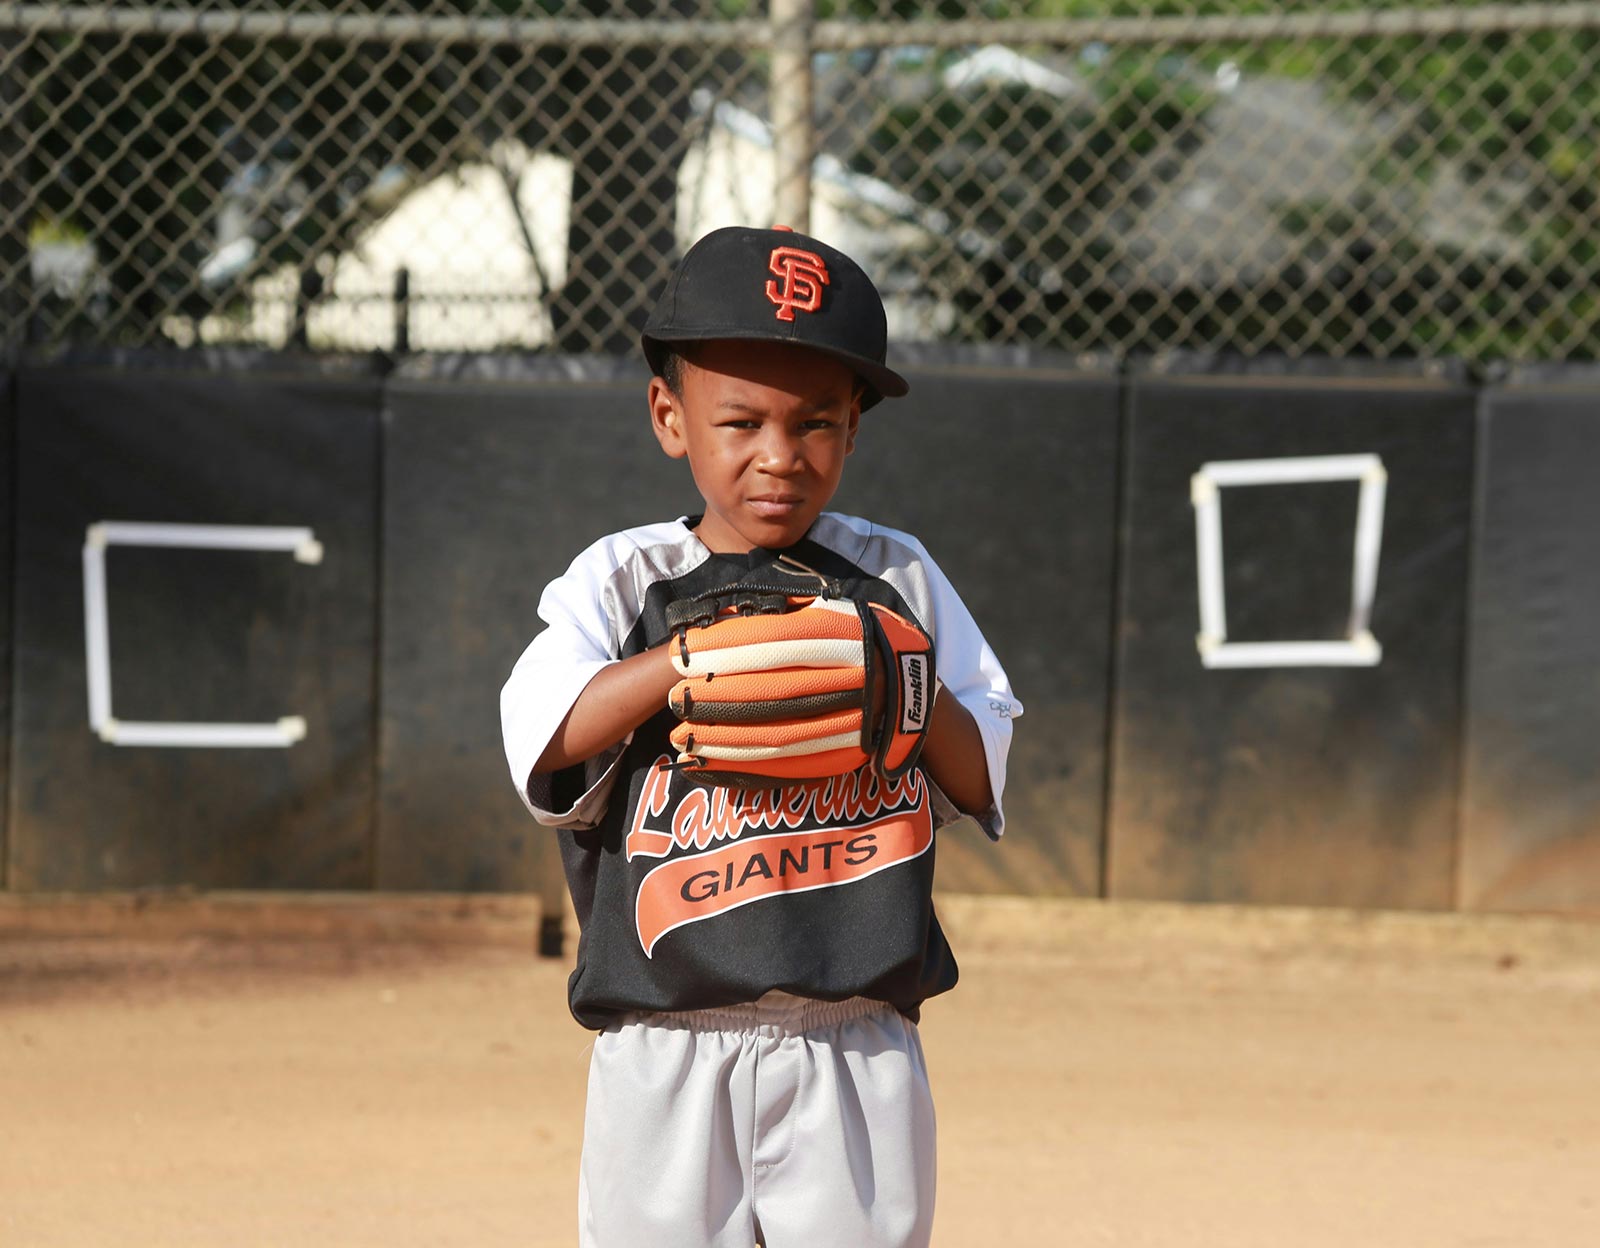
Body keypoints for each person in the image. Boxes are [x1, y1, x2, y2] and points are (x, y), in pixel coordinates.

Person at [500, 224, 1021, 1248]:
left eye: (817, 424)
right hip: (663, 1037)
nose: (779, 457)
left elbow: (980, 766)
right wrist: (689, 668)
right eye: (739, 421)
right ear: (669, 417)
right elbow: (546, 733)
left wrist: (899, 683)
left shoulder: (897, 581)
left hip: (854, 1036)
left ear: (855, 431)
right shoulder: (621, 579)